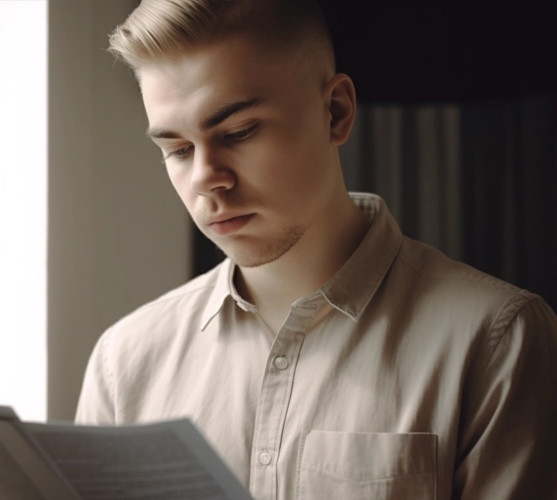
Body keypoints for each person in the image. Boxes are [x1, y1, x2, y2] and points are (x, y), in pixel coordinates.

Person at [74, 0, 557, 498]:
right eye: (177, 149)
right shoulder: (124, 362)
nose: (205, 180)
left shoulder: (496, 342)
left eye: (238, 132)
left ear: (336, 112)